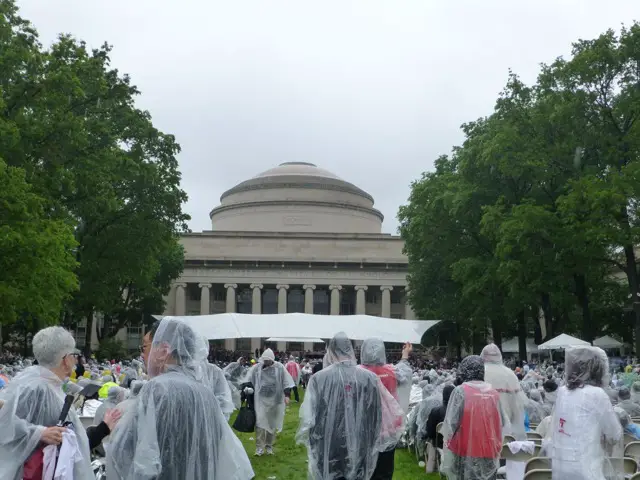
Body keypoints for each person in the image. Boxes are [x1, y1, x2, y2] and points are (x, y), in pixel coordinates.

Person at [107, 318, 254, 479]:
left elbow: (130, 454)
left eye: (145, 347)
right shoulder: (205, 394)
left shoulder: (156, 389)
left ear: (164, 350)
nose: (142, 355)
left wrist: (117, 432)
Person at [297, 332, 403, 480]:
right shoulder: (369, 378)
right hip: (361, 440)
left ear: (331, 351)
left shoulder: (318, 379)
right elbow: (376, 415)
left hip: (330, 443)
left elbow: (311, 417)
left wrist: (317, 445)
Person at [0, 326, 94, 479]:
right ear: (65, 359)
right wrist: (38, 433)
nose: (76, 360)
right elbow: (4, 425)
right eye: (74, 355)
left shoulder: (39, 382)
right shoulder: (38, 388)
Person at [551, 345, 623, 480]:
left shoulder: (562, 392)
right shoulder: (596, 394)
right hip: (586, 468)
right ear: (598, 369)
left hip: (560, 467)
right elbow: (614, 434)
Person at [441, 355, 503, 480]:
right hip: (489, 450)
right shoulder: (494, 393)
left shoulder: (460, 391)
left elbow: (450, 424)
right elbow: (502, 423)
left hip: (464, 450)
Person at [359, 337, 413, 480]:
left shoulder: (357, 373)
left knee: (363, 471)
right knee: (385, 471)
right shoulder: (391, 372)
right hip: (388, 430)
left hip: (363, 429)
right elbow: (405, 371)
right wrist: (405, 355)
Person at [242, 348, 295, 456]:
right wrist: (247, 389)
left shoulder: (279, 367)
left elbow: (286, 381)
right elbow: (248, 379)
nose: (266, 362)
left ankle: (269, 446)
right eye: (265, 360)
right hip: (260, 400)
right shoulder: (257, 368)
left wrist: (287, 395)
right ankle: (259, 448)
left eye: (268, 360)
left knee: (271, 425)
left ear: (272, 359)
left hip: (275, 400)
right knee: (260, 424)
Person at [480, 343, 527, 439]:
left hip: (484, 425)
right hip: (509, 430)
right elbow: (519, 404)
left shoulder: (480, 371)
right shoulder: (510, 373)